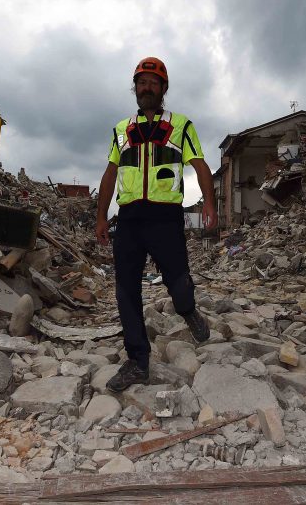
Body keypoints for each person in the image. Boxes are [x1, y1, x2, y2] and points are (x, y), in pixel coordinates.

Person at [95, 57, 217, 392]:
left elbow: (200, 165)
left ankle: (188, 311)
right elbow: (110, 173)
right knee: (126, 290)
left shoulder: (181, 125)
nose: (146, 87)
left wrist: (209, 202)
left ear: (164, 88)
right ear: (134, 87)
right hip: (129, 218)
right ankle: (138, 361)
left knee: (179, 284)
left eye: (153, 82)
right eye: (141, 82)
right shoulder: (121, 130)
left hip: (166, 217)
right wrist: (101, 216)